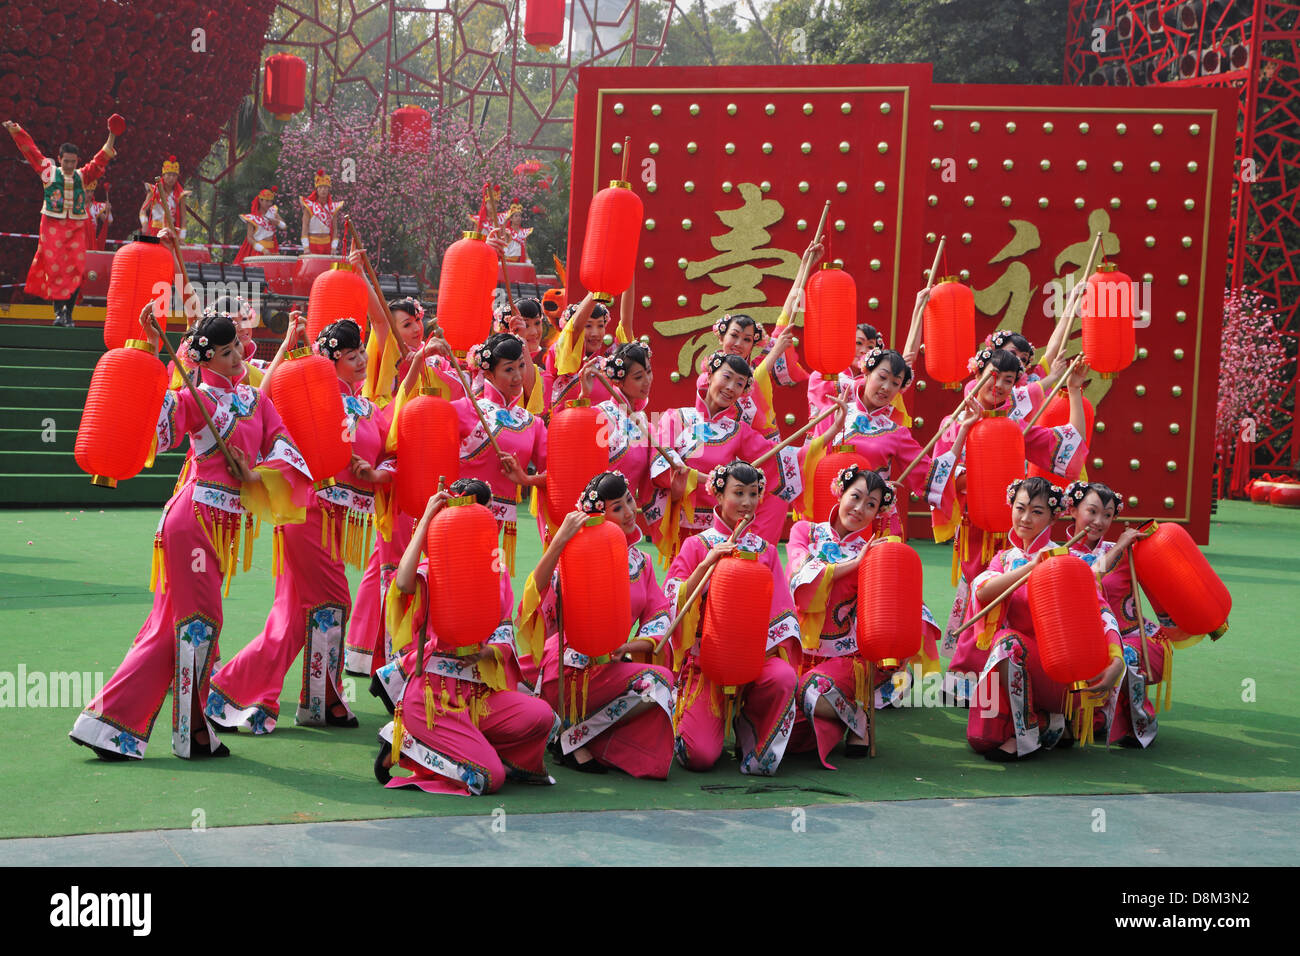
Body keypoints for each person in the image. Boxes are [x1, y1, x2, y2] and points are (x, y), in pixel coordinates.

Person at [69, 306, 313, 759]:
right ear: (203, 360)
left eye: (237, 345)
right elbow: (156, 434)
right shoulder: (193, 399)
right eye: (224, 351)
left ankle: (108, 724)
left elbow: (285, 450)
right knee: (201, 623)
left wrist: (256, 475)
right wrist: (155, 360)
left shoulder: (256, 400)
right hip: (193, 520)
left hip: (223, 525)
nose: (237, 355)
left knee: (173, 627)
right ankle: (192, 731)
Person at [207, 318, 389, 733]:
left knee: (293, 616)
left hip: (339, 520)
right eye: (350, 355)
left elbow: (389, 451)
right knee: (333, 603)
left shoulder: (370, 407)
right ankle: (316, 699)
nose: (361, 360)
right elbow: (261, 399)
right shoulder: (313, 397)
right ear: (329, 363)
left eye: (362, 351)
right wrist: (290, 342)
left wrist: (378, 474)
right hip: (308, 512)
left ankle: (251, 695)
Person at [373, 481, 558, 794]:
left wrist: (487, 654)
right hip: (434, 698)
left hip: (480, 695)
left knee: (544, 718)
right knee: (487, 779)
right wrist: (426, 520)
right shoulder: (434, 569)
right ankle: (405, 742)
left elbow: (504, 630)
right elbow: (403, 584)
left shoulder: (495, 574)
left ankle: (475, 747)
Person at [928, 348, 1091, 653]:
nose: (999, 385)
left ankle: (1012, 659)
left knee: (1016, 595)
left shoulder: (1016, 427)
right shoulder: (952, 423)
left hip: (1016, 527)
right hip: (975, 526)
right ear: (976, 373)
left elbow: (1069, 447)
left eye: (1008, 380)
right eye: (993, 375)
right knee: (980, 587)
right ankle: (971, 666)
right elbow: (940, 481)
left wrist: (1073, 390)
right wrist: (975, 448)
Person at [517, 472, 677, 777]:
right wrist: (561, 540)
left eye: (629, 500)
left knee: (661, 684)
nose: (630, 512)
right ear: (598, 514)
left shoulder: (641, 563)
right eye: (617, 508)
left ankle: (573, 736)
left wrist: (625, 647)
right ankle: (568, 728)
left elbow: (659, 621)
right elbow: (532, 604)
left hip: (610, 667)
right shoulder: (574, 553)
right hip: (565, 671)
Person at [956, 477, 1124, 760]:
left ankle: (1027, 732)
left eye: (1037, 511)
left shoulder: (1067, 560)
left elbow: (1102, 611)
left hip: (1058, 670)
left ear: (1053, 516)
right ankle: (1049, 721)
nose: (1025, 518)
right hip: (1018, 666)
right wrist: (1031, 567)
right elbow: (983, 593)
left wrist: (1116, 659)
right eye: (1020, 508)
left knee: (1007, 642)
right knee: (981, 738)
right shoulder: (1005, 559)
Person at [786, 465, 942, 768]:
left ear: (877, 512)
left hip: (850, 657)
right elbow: (800, 580)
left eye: (870, 504)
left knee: (812, 693)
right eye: (854, 497)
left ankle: (860, 714)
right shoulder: (805, 531)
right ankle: (847, 716)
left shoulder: (877, 551)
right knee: (782, 724)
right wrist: (857, 563)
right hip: (801, 652)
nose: (859, 508)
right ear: (840, 492)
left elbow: (906, 602)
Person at [663, 462, 801, 775]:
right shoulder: (696, 546)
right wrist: (706, 566)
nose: (747, 502)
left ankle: (748, 728)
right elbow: (671, 598)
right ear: (718, 495)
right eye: (738, 493)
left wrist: (750, 657)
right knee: (699, 758)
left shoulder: (764, 551)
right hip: (705, 663)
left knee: (782, 677)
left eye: (753, 494)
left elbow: (782, 611)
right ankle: (684, 715)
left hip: (752, 659)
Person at [402, 331, 547, 575]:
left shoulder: (533, 423)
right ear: (488, 373)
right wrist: (418, 361)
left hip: (493, 525)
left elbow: (559, 475)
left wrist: (526, 479)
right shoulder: (464, 410)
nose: (518, 376)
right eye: (509, 369)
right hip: (452, 518)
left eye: (521, 366)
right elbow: (409, 422)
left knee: (480, 581)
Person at [1064, 481, 1190, 748]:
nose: (1099, 521)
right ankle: (1093, 718)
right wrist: (1119, 547)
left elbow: (1164, 586)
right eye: (1092, 511)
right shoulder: (1060, 554)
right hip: (1088, 644)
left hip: (1135, 637)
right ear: (1073, 510)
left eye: (1107, 515)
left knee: (1125, 655)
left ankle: (1139, 724)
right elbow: (1088, 577)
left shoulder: (1127, 550)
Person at [646, 351, 809, 556]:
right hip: (681, 526)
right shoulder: (676, 417)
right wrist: (709, 479)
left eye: (740, 383)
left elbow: (777, 459)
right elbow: (661, 462)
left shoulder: (738, 431)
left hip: (719, 529)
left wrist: (820, 443)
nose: (731, 387)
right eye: (726, 377)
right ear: (710, 375)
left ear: (743, 392)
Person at [801, 348, 931, 539]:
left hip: (873, 517)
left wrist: (959, 436)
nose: (886, 387)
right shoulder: (834, 413)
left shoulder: (896, 431)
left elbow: (927, 473)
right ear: (867, 373)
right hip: (829, 511)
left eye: (895, 383)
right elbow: (811, 460)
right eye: (882, 377)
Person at [3, 116, 118, 327]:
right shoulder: (48, 172)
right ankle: (59, 314)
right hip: (52, 226)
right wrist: (16, 131)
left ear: (76, 161)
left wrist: (112, 135)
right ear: (59, 158)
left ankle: (68, 313)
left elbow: (100, 159)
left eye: (73, 162)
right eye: (66, 161)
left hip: (76, 227)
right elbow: (32, 151)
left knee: (75, 270)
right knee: (56, 269)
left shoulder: (82, 176)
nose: (69, 165)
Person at [139, 156, 189, 239]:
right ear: (163, 175)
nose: (171, 178)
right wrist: (144, 224)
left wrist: (182, 236)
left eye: (174, 175)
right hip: (154, 231)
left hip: (170, 233)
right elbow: (143, 210)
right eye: (169, 174)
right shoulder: (154, 190)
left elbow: (183, 218)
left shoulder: (180, 195)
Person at [233, 187, 286, 263]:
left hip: (273, 249)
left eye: (271, 201)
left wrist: (277, 222)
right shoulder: (252, 218)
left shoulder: (273, 212)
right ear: (260, 201)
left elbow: (284, 227)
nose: (269, 204)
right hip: (259, 250)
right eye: (267, 201)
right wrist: (263, 249)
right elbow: (249, 238)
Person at [300, 169, 343, 254]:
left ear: (328, 189)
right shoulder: (309, 207)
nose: (323, 190)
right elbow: (305, 228)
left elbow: (335, 229)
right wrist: (306, 247)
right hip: (312, 243)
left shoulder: (333, 208)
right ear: (317, 189)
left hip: (327, 244)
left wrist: (334, 247)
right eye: (320, 187)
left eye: (325, 187)